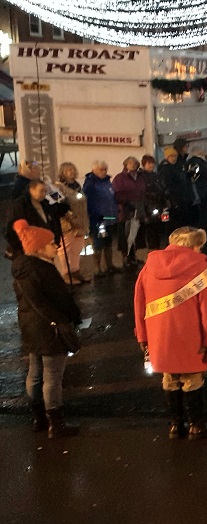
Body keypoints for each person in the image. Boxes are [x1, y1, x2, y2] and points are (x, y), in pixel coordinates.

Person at [134, 226, 207, 440]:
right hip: (190, 335)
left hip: (159, 335)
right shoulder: (201, 267)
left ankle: (175, 425)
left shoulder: (149, 266)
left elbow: (139, 303)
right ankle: (196, 425)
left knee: (169, 377)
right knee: (193, 379)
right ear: (194, 245)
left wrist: (143, 337)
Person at [12, 219, 83, 438]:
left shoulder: (21, 268)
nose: (56, 246)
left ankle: (39, 418)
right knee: (52, 377)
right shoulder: (45, 270)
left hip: (31, 328)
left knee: (35, 374)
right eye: (52, 243)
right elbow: (61, 301)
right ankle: (56, 424)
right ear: (40, 248)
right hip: (51, 328)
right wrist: (74, 316)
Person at [6, 179, 69, 263]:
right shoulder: (21, 205)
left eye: (45, 191)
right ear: (32, 190)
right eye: (41, 191)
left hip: (47, 246)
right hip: (32, 248)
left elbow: (55, 215)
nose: (44, 194)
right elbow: (15, 228)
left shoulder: (44, 203)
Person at [52, 163, 90, 283]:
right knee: (66, 250)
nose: (72, 172)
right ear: (63, 172)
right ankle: (66, 273)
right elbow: (58, 205)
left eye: (73, 169)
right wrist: (70, 218)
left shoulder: (77, 186)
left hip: (80, 222)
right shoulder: (57, 187)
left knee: (77, 249)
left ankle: (75, 271)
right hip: (67, 224)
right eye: (69, 170)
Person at [83, 160, 122, 276]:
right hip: (98, 219)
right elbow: (88, 202)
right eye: (101, 169)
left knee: (109, 242)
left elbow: (112, 198)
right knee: (98, 243)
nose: (104, 171)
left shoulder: (107, 182)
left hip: (110, 218)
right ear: (94, 170)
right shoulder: (90, 184)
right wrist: (95, 215)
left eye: (105, 169)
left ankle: (109, 265)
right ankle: (97, 268)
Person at [112, 156, 148, 269]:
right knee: (125, 236)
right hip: (125, 211)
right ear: (125, 164)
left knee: (135, 235)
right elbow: (117, 194)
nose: (132, 165)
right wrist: (127, 202)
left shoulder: (140, 177)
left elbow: (143, 192)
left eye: (134, 163)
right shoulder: (119, 178)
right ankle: (125, 258)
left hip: (138, 210)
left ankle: (133, 257)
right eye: (130, 163)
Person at [140, 155, 168, 251]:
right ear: (144, 164)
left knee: (159, 229)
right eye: (148, 163)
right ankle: (153, 251)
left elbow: (162, 188)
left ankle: (157, 249)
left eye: (152, 163)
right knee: (150, 231)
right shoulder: (141, 177)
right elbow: (143, 192)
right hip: (148, 207)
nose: (151, 165)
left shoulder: (156, 175)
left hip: (158, 205)